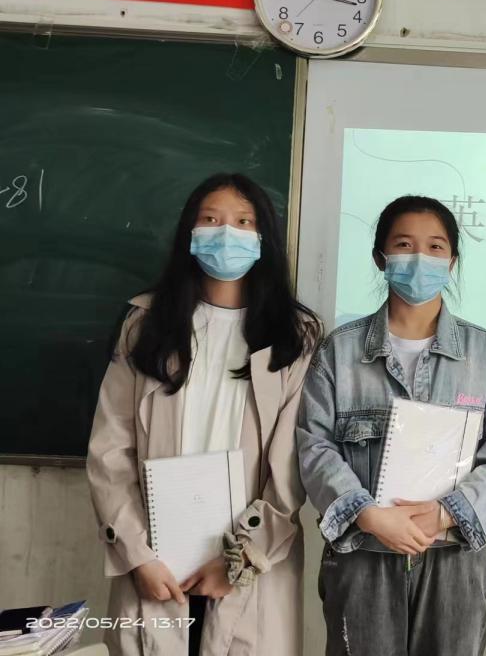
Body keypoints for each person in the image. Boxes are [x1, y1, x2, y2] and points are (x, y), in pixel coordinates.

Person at [87, 173, 321, 656]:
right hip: (156, 558)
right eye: (210, 220)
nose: (226, 234)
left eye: (243, 222)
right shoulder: (144, 325)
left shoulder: (296, 336)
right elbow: (110, 450)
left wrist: (239, 561)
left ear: (263, 237)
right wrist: (138, 555)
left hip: (250, 562)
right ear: (189, 234)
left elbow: (290, 470)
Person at [298, 195, 486, 656]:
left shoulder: (485, 355)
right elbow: (314, 446)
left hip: (454, 557)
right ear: (380, 257)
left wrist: (445, 513)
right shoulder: (339, 351)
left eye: (436, 247)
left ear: (452, 261)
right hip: (363, 552)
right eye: (404, 245)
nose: (421, 258)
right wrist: (368, 514)